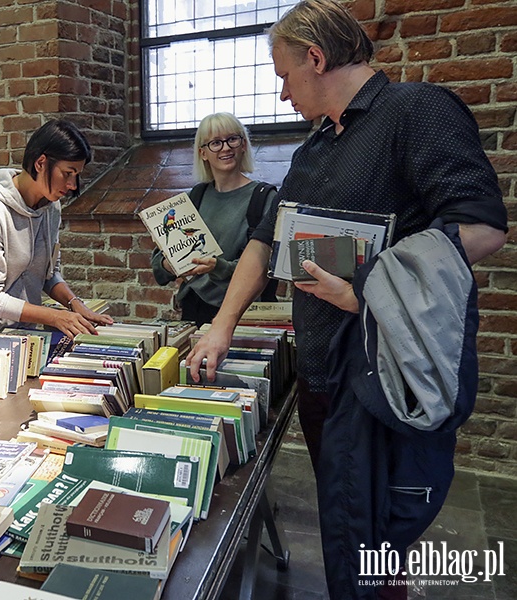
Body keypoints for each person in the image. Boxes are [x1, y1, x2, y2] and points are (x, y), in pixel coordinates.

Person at [185, 1, 507, 597]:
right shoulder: (315, 147)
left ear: (316, 57)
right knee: (344, 529)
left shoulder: (415, 112)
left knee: (375, 542)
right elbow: (266, 240)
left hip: (379, 374)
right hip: (322, 375)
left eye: (284, 76)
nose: (282, 94)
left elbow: (482, 226)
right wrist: (221, 325)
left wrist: (364, 291)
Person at [0, 119, 113, 337]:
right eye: (68, 173)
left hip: (26, 339)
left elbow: (48, 274)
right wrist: (54, 316)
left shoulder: (51, 208)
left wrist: (75, 304)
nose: (73, 186)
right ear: (40, 163)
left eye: (77, 175)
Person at [150, 113, 278, 327]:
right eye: (216, 143)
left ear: (243, 144)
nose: (226, 148)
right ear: (203, 153)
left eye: (232, 139)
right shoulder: (196, 196)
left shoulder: (264, 198)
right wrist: (170, 264)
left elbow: (268, 266)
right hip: (194, 308)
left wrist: (218, 267)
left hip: (242, 311)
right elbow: (158, 262)